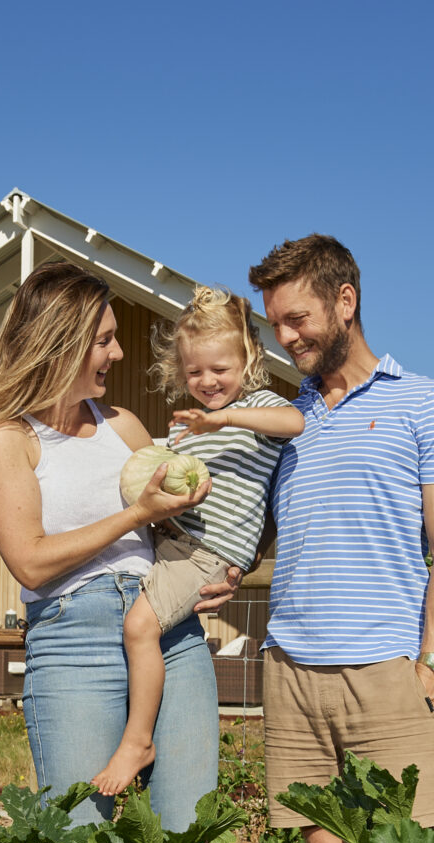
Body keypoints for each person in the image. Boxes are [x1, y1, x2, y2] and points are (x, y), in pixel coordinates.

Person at [0, 262, 240, 843]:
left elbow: (180, 525)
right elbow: (30, 562)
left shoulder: (124, 426)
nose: (115, 352)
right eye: (104, 339)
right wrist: (136, 514)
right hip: (74, 641)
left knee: (189, 841)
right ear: (61, 342)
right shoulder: (6, 437)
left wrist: (226, 566)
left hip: (169, 633)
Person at [247, 235, 434, 843]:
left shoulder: (430, 403)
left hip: (385, 667)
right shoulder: (289, 418)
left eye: (298, 319)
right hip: (291, 666)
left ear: (344, 301)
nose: (288, 338)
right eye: (277, 325)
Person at [91, 287, 303, 796]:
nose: (207, 383)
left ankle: (137, 741)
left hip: (208, 554)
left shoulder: (258, 408)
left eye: (220, 370)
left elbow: (293, 421)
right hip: (178, 538)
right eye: (194, 373)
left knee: (139, 627)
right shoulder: (195, 425)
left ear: (249, 360)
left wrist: (225, 419)